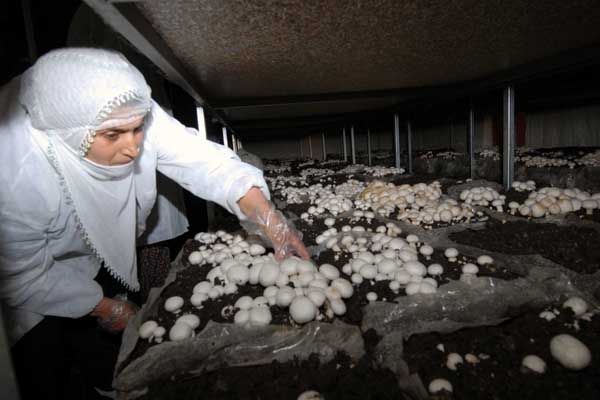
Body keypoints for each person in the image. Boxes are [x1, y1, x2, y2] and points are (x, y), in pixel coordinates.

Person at [0, 47, 309, 399]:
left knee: (106, 351)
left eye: (137, 129)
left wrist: (270, 221)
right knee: (41, 364)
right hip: (21, 283)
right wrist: (105, 306)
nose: (133, 147)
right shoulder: (15, 173)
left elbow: (204, 162)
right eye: (114, 136)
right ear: (71, 134)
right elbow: (24, 275)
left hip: (86, 247)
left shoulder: (126, 108)